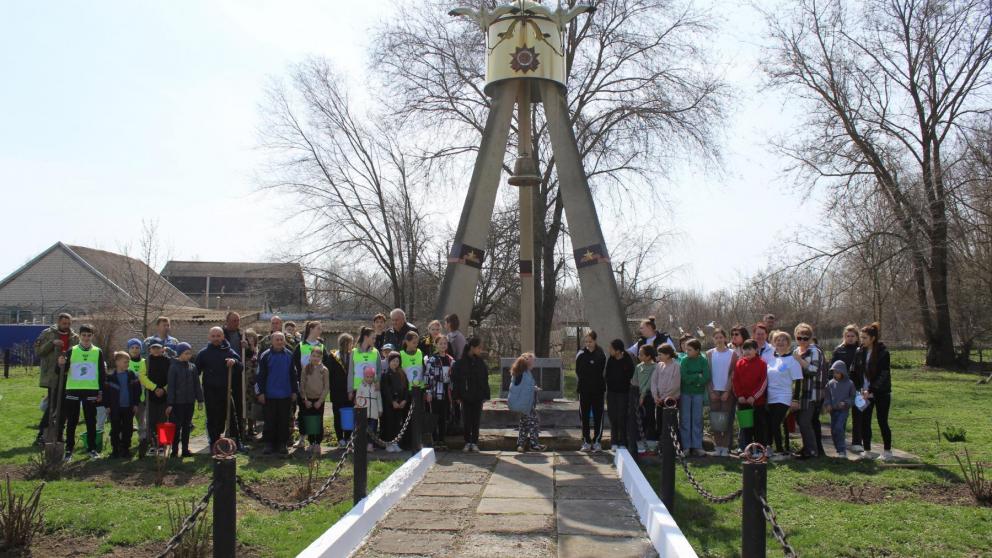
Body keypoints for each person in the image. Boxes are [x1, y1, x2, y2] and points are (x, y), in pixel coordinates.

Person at [58, 324, 105, 461]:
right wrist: (60, 363)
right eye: (83, 335)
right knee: (72, 421)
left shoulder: (98, 351)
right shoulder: (71, 351)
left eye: (89, 335)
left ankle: (92, 449)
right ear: (79, 336)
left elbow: (102, 373)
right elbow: (60, 371)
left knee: (91, 421)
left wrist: (101, 391)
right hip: (73, 389)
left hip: (91, 390)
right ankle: (69, 450)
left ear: (92, 336)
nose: (86, 338)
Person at [195, 327, 244, 450]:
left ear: (223, 337)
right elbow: (196, 371)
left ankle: (235, 442)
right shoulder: (203, 353)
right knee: (213, 417)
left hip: (226, 390)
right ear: (209, 337)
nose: (216, 338)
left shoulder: (229, 351)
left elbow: (240, 366)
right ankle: (214, 442)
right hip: (210, 391)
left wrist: (234, 362)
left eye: (218, 336)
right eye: (213, 336)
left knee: (230, 417)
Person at [850, 322, 893, 461]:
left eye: (865, 338)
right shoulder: (859, 351)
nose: (862, 341)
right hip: (864, 393)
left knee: (882, 421)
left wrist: (872, 389)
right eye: (861, 338)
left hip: (881, 393)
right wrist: (859, 388)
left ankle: (887, 451)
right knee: (865, 422)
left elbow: (884, 374)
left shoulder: (883, 353)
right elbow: (854, 371)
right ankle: (867, 450)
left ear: (873, 338)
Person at [34, 313, 79, 445]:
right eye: (64, 323)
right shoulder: (47, 333)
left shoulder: (74, 337)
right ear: (58, 322)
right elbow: (39, 352)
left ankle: (59, 434)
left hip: (68, 376)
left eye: (68, 323)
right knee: (52, 405)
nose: (66, 326)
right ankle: (42, 434)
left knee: (65, 407)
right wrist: (51, 343)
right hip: (52, 376)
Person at [256, 332, 298, 456]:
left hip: (285, 394)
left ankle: (282, 444)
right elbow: (260, 376)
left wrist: (294, 391)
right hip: (269, 395)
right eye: (277, 339)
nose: (279, 341)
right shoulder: (265, 356)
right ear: (272, 341)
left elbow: (293, 375)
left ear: (284, 341)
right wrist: (261, 393)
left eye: (281, 339)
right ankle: (269, 444)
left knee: (283, 421)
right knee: (269, 421)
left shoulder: (289, 355)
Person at [765, 331, 803, 458]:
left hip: (784, 396)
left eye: (783, 340)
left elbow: (798, 381)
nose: (780, 343)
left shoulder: (792, 360)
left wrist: (796, 400)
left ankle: (781, 450)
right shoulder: (771, 359)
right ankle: (770, 448)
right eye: (777, 340)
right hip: (771, 396)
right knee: (770, 423)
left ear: (788, 343)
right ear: (773, 343)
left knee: (776, 422)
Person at [450, 337, 490, 452]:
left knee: (476, 420)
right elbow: (456, 380)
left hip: (477, 396)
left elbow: (484, 379)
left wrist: (485, 394)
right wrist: (456, 396)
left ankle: (475, 442)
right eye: (479, 348)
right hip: (465, 396)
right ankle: (467, 442)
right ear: (472, 348)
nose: (480, 350)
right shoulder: (460, 363)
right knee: (467, 419)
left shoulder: (480, 363)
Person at [793, 323, 826, 458]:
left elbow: (814, 370)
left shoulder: (814, 351)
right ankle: (806, 447)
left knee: (805, 421)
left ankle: (812, 451)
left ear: (811, 338)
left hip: (811, 393)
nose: (802, 341)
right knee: (800, 422)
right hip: (798, 393)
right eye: (799, 337)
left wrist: (799, 360)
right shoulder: (795, 351)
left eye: (805, 338)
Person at [166, 342, 203, 458]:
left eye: (189, 353)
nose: (188, 356)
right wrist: (170, 403)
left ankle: (185, 449)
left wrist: (200, 399)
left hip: (189, 401)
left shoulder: (193, 367)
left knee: (187, 426)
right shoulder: (174, 367)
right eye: (186, 353)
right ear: (180, 354)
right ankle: (175, 450)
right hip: (178, 403)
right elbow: (171, 386)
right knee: (177, 426)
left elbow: (197, 384)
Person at [707, 328, 738, 457]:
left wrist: (727, 391)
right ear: (713, 339)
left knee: (726, 419)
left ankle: (725, 447)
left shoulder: (733, 354)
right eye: (716, 337)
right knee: (715, 420)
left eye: (721, 337)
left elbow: (733, 374)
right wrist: (711, 391)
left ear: (725, 338)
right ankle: (718, 446)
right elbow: (707, 374)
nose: (719, 340)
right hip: (714, 391)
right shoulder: (709, 353)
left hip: (726, 391)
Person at [733, 339, 768, 452]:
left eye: (750, 349)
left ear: (756, 350)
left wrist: (754, 397)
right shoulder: (739, 363)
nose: (747, 351)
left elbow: (763, 383)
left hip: (758, 402)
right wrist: (740, 395)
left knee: (759, 427)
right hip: (743, 401)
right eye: (745, 349)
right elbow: (735, 381)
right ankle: (746, 450)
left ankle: (759, 450)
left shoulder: (762, 363)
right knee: (746, 427)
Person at [831, 324, 862, 451]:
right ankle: (840, 442)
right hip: (842, 387)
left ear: (857, 337)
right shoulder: (838, 350)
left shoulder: (861, 349)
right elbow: (832, 369)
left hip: (858, 386)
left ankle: (857, 442)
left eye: (852, 336)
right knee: (841, 415)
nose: (850, 338)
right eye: (847, 336)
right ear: (844, 336)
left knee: (858, 415)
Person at [105, 351, 141, 459]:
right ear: (117, 362)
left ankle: (125, 449)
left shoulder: (131, 375)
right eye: (125, 362)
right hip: (115, 408)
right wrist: (107, 406)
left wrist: (135, 404)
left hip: (128, 407)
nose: (127, 364)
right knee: (115, 429)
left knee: (128, 429)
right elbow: (106, 393)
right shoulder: (110, 377)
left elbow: (137, 390)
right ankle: (115, 450)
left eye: (128, 362)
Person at [575, 331, 607, 452]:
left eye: (590, 341)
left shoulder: (601, 354)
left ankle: (597, 441)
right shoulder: (581, 354)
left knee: (599, 416)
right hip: (584, 390)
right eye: (586, 341)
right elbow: (578, 372)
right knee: (584, 416)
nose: (588, 344)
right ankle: (586, 441)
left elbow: (603, 371)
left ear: (595, 340)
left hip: (598, 390)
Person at [508, 353, 545, 452]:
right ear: (527, 363)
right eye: (533, 361)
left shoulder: (522, 372)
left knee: (524, 423)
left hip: (524, 403)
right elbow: (522, 387)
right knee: (534, 422)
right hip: (525, 404)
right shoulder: (523, 373)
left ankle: (520, 445)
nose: (534, 363)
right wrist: (533, 388)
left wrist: (534, 388)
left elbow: (523, 386)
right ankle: (534, 445)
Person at [679, 339, 710, 457]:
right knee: (685, 419)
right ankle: (686, 447)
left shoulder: (703, 361)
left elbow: (706, 376)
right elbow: (684, 377)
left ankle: (697, 446)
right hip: (685, 393)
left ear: (697, 350)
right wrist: (697, 375)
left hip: (698, 393)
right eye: (686, 349)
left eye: (690, 350)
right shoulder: (684, 361)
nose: (687, 351)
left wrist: (696, 380)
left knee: (697, 419)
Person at [141, 342, 171, 455]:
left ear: (162, 349)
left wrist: (163, 389)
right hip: (151, 396)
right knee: (152, 420)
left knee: (163, 421)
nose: (156, 350)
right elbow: (142, 377)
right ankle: (153, 444)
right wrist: (154, 388)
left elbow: (171, 377)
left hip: (165, 396)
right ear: (150, 349)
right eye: (154, 348)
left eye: (158, 348)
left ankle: (162, 445)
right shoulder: (146, 362)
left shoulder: (168, 361)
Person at [424, 335, 454, 450]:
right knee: (435, 415)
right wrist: (428, 392)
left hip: (447, 392)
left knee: (443, 416)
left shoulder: (450, 359)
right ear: (436, 345)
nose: (443, 346)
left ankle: (442, 439)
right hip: (436, 391)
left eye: (445, 343)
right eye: (440, 343)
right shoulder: (432, 359)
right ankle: (434, 439)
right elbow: (427, 376)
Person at [299, 344, 330, 452]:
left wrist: (320, 401)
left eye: (318, 356)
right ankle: (311, 442)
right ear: (310, 356)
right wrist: (305, 399)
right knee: (310, 421)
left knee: (318, 421)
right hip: (308, 400)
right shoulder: (306, 368)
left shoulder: (324, 370)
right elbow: (302, 385)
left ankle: (317, 443)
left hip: (319, 401)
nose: (315, 358)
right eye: (313, 356)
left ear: (321, 357)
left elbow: (326, 387)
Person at [605, 339, 635, 450]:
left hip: (623, 393)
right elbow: (607, 374)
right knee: (613, 417)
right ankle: (614, 441)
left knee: (622, 416)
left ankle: (623, 441)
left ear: (618, 350)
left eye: (611, 348)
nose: (609, 350)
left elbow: (630, 375)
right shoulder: (611, 360)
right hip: (612, 392)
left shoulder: (627, 360)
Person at [823, 360, 856, 457]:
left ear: (843, 372)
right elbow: (827, 396)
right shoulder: (830, 384)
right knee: (834, 430)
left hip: (843, 411)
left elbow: (853, 397)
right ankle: (838, 449)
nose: (836, 374)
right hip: (833, 411)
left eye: (838, 372)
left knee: (839, 427)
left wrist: (846, 403)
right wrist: (827, 404)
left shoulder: (850, 384)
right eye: (834, 372)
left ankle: (842, 450)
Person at [380, 352, 410, 453]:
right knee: (389, 423)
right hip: (389, 405)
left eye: (397, 361)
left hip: (400, 403)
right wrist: (392, 401)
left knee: (398, 424)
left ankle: (396, 443)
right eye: (393, 361)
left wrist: (405, 400)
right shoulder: (385, 374)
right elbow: (386, 390)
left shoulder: (402, 373)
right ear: (389, 361)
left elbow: (406, 388)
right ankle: (388, 443)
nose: (395, 363)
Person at [328, 334, 354, 447]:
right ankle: (340, 438)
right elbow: (330, 374)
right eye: (350, 342)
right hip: (337, 391)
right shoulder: (333, 356)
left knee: (348, 414)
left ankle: (348, 437)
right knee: (337, 415)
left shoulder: (353, 355)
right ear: (344, 343)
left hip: (349, 391)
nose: (351, 345)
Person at [651, 344, 681, 439]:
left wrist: (664, 397)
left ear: (667, 355)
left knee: (670, 423)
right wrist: (655, 396)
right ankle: (661, 443)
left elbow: (675, 384)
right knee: (659, 422)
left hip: (670, 399)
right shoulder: (659, 365)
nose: (658, 357)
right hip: (659, 400)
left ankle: (671, 445)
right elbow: (654, 381)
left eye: (660, 354)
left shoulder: (676, 366)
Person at [634, 344, 659, 455]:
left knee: (650, 418)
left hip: (649, 396)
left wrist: (643, 395)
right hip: (639, 396)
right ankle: (640, 444)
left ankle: (651, 443)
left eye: (641, 354)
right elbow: (634, 382)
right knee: (640, 420)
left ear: (649, 356)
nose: (639, 355)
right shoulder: (638, 367)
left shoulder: (656, 367)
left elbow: (651, 383)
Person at [349, 327, 382, 399]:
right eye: (373, 338)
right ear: (366, 337)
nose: (374, 340)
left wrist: (378, 382)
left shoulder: (376, 352)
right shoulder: (354, 352)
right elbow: (351, 373)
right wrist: (350, 390)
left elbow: (379, 370)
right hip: (357, 389)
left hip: (372, 389)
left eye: (375, 338)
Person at [355, 366, 383, 452]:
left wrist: (380, 409)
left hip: (374, 412)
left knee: (373, 429)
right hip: (364, 412)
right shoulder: (361, 386)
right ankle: (363, 444)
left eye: (371, 377)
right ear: (364, 376)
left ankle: (370, 444)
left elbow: (379, 398)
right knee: (363, 429)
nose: (369, 379)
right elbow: (358, 397)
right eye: (367, 377)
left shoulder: (376, 387)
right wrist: (358, 408)